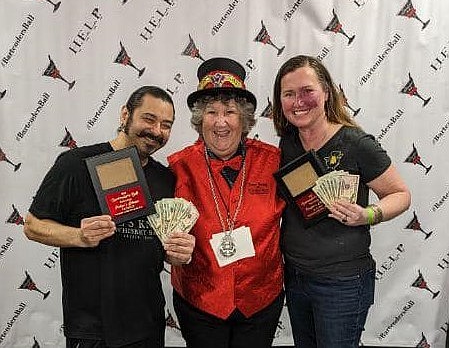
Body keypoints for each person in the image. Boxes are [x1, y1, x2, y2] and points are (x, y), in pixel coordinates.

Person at [24, 86, 195, 348]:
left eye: (166, 125)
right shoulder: (76, 163)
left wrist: (178, 253)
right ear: (125, 114)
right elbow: (32, 225)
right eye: (149, 119)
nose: (156, 131)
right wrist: (78, 236)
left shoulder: (166, 179)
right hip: (92, 329)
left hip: (148, 325)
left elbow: (161, 248)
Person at [272, 55, 411, 348]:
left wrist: (367, 214)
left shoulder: (356, 143)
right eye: (289, 94)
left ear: (326, 92)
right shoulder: (288, 143)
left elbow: (401, 195)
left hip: (342, 283)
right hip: (295, 276)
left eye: (307, 91)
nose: (298, 101)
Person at [168, 57, 285, 348]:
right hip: (200, 302)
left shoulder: (275, 163)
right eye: (211, 112)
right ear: (200, 120)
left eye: (230, 112)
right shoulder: (177, 168)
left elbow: (308, 209)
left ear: (244, 120)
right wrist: (169, 252)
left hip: (260, 300)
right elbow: (158, 234)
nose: (220, 122)